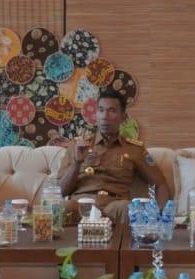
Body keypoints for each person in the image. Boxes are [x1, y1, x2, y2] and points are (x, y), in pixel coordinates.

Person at [58, 89, 170, 222]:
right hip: (82, 204)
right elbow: (60, 191)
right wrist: (77, 163)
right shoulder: (78, 145)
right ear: (96, 114)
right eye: (101, 110)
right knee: (62, 208)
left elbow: (160, 184)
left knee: (127, 208)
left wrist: (160, 216)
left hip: (115, 206)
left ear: (123, 117)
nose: (105, 116)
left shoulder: (135, 149)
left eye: (112, 111)